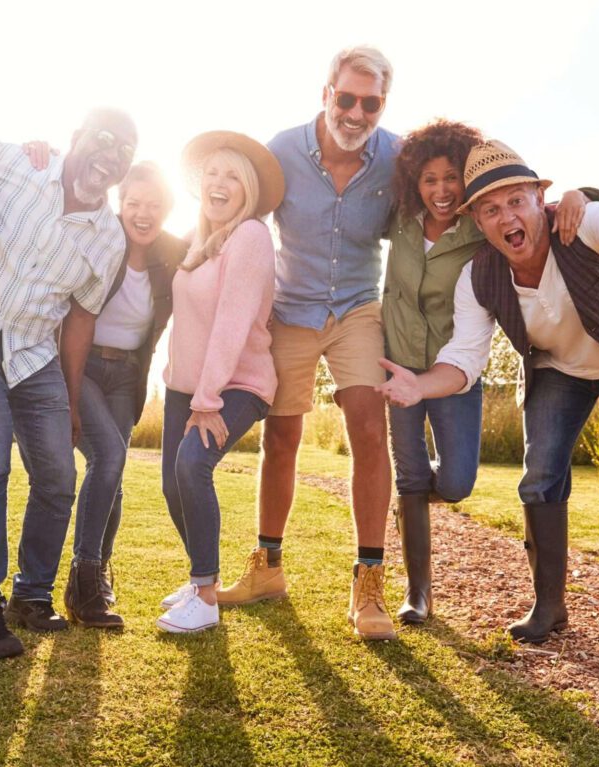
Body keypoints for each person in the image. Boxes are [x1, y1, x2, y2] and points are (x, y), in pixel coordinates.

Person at [378, 140, 599, 656]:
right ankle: (548, 607)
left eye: (517, 201)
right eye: (491, 209)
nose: (507, 216)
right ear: (478, 222)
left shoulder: (580, 222)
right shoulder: (478, 275)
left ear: (538, 199)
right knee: (540, 475)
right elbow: (463, 357)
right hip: (558, 370)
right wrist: (419, 385)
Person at [0, 109, 136, 657]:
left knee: (57, 473)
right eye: (104, 139)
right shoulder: (17, 163)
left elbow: (82, 318)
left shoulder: (108, 238)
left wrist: (70, 400)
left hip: (34, 353)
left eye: (125, 150)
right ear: (76, 138)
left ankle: (31, 594)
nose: (111, 155)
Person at [217, 46, 398, 641]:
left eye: (370, 103)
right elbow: (242, 214)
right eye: (345, 98)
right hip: (291, 310)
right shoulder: (283, 150)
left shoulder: (396, 156)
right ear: (326, 94)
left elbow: (459, 180)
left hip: (356, 308)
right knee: (283, 435)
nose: (356, 112)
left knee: (370, 431)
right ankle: (267, 567)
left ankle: (368, 583)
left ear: (381, 106)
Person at [382, 120, 592, 624]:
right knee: (410, 474)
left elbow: (538, 212)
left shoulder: (482, 224)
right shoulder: (400, 223)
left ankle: (412, 498)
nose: (439, 190)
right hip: (395, 363)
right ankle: (419, 593)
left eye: (450, 178)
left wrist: (581, 195)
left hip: (454, 368)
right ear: (415, 181)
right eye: (428, 179)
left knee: (456, 482)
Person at [155, 131, 284, 633]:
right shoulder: (198, 241)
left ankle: (206, 597)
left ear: (248, 190)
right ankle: (198, 578)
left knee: (193, 466)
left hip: (238, 385)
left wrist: (207, 399)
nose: (220, 183)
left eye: (233, 176)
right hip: (186, 385)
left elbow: (232, 322)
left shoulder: (250, 236)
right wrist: (181, 385)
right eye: (212, 173)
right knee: (171, 485)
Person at [64, 162, 187, 628]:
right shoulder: (100, 239)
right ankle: (85, 578)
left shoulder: (174, 253)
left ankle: (95, 577)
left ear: (168, 210)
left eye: (154, 205)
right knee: (109, 458)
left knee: (110, 472)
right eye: (134, 203)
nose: (143, 213)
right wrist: (71, 395)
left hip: (128, 374)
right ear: (120, 204)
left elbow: (218, 262)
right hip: (83, 365)